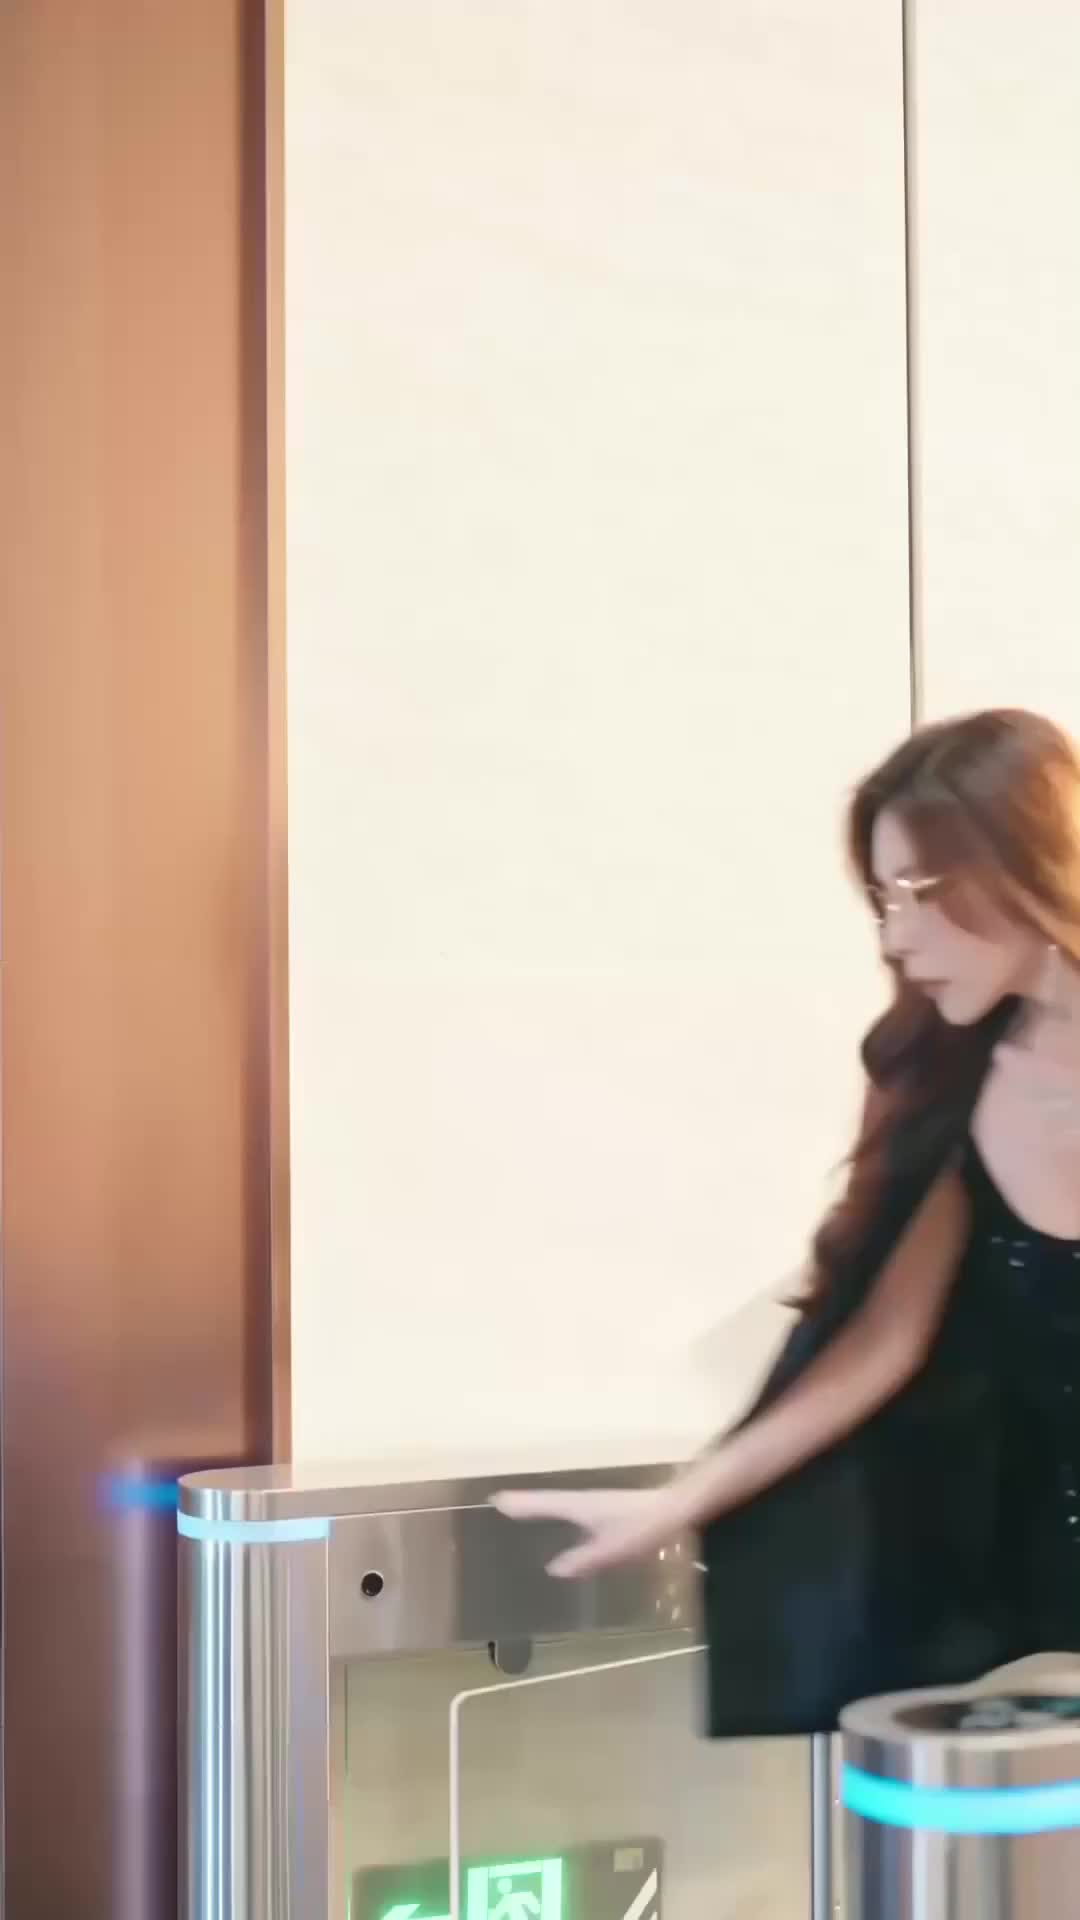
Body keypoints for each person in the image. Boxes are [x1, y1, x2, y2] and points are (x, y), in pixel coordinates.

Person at [495, 708, 1080, 1735]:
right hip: (1032, 1598)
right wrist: (684, 1499)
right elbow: (880, 1343)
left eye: (924, 893)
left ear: (1029, 864)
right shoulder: (954, 1084)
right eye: (883, 901)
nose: (896, 937)